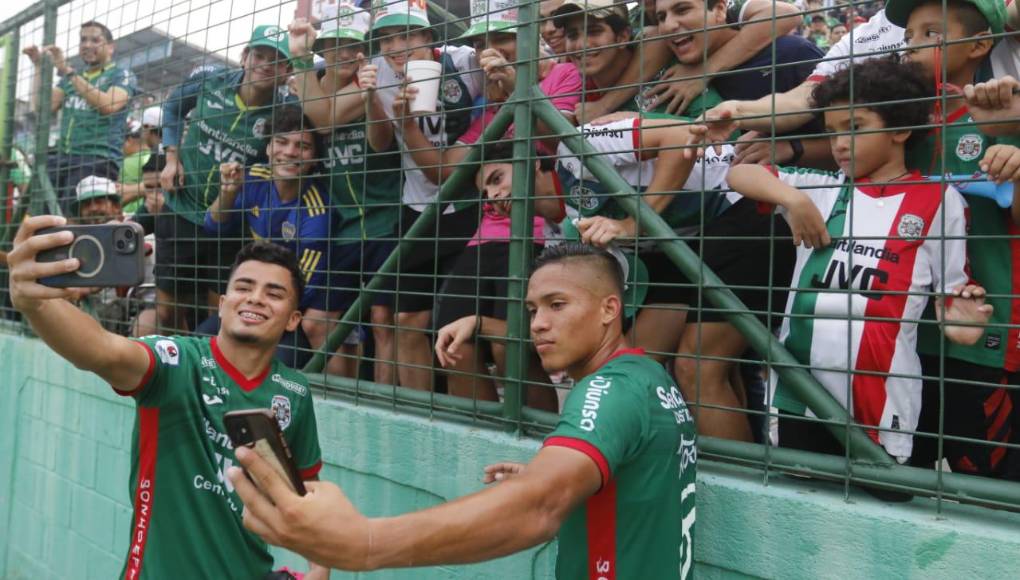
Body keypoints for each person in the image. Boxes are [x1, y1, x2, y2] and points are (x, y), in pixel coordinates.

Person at [229, 243, 698, 579]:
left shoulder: (609, 392)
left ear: (609, 309)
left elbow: (539, 507)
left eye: (557, 305)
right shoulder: (649, 379)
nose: (538, 323)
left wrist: (365, 543)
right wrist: (561, 476)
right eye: (532, 308)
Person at [8, 220, 326, 578]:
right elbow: (102, 351)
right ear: (222, 304)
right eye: (244, 287)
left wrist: (320, 567)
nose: (255, 298)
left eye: (274, 293)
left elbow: (308, 491)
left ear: (293, 319)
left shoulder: (295, 393)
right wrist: (33, 303)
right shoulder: (176, 360)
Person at [722, 57, 992, 463]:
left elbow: (952, 291)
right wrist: (792, 200)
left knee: (882, 497)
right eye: (832, 132)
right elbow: (738, 175)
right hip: (799, 393)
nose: (840, 144)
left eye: (855, 127)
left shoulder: (940, 200)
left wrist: (959, 319)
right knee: (804, 499)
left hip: (883, 402)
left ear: (900, 129)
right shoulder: (822, 190)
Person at [879, 0, 1020, 478]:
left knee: (987, 483)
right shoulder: (902, 125)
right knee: (902, 471)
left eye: (931, 35)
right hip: (906, 337)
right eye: (909, 38)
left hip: (980, 339)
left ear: (979, 44)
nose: (913, 48)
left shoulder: (1001, 115)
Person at [366, 0, 484, 391]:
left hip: (468, 206)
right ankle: (418, 411)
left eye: (406, 36)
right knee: (405, 320)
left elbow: (506, 97)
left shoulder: (463, 61)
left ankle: (468, 415)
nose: (396, 47)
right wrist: (372, 102)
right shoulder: (380, 73)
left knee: (459, 325)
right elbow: (380, 144)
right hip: (416, 206)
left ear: (428, 37)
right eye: (387, 39)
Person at [288, 5, 400, 381]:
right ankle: (338, 402)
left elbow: (322, 118)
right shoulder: (310, 82)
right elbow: (318, 115)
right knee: (319, 323)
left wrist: (300, 61)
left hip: (385, 218)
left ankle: (387, 408)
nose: (345, 53)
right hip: (340, 226)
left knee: (385, 320)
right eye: (335, 44)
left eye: (353, 44)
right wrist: (303, 64)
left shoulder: (374, 75)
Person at [157, 26, 294, 332]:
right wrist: (171, 157)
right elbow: (173, 108)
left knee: (218, 311)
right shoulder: (210, 80)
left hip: (229, 223)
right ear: (244, 57)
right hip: (181, 207)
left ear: (287, 70)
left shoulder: (286, 108)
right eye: (259, 55)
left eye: (276, 60)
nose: (266, 64)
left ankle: (206, 370)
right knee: (167, 310)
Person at [203, 106, 340, 370]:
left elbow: (304, 289)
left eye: (303, 146)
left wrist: (260, 307)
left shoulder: (316, 213)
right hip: (254, 299)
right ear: (268, 148)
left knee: (272, 366)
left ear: (313, 159)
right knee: (203, 339)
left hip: (284, 311)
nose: (289, 152)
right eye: (281, 142)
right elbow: (213, 227)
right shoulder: (254, 178)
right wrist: (228, 192)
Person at [571, 0, 801, 122]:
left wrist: (702, 71)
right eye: (662, 17)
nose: (669, 25)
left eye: (681, 10)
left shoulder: (790, 52)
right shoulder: (637, 17)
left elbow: (785, 13)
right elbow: (655, 38)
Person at [23, 21, 137, 210]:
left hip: (97, 158)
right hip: (64, 157)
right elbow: (40, 108)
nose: (87, 44)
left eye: (95, 40)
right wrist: (38, 67)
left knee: (72, 221)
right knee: (40, 215)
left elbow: (109, 105)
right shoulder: (72, 79)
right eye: (83, 40)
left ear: (110, 47)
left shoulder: (121, 74)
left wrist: (67, 71)